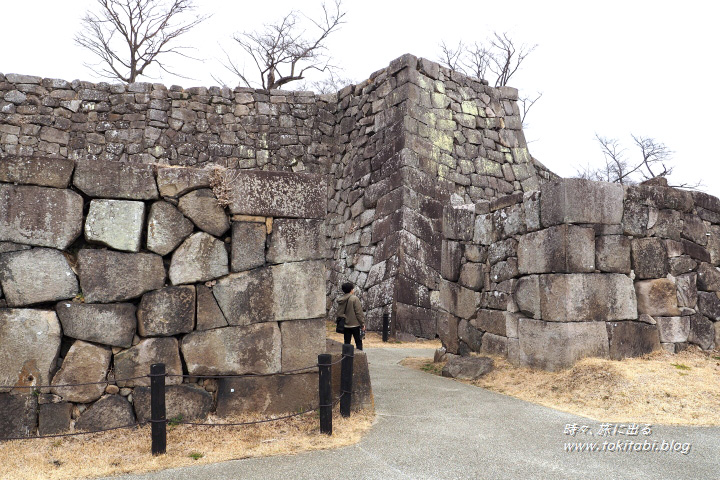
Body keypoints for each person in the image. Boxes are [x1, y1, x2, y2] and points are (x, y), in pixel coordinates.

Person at [337, 282, 366, 350]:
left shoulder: (341, 299)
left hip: (345, 325)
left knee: (346, 343)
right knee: (358, 342)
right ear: (351, 290)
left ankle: (346, 358)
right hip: (355, 324)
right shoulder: (354, 299)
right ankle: (359, 358)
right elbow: (358, 313)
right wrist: (362, 324)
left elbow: (339, 313)